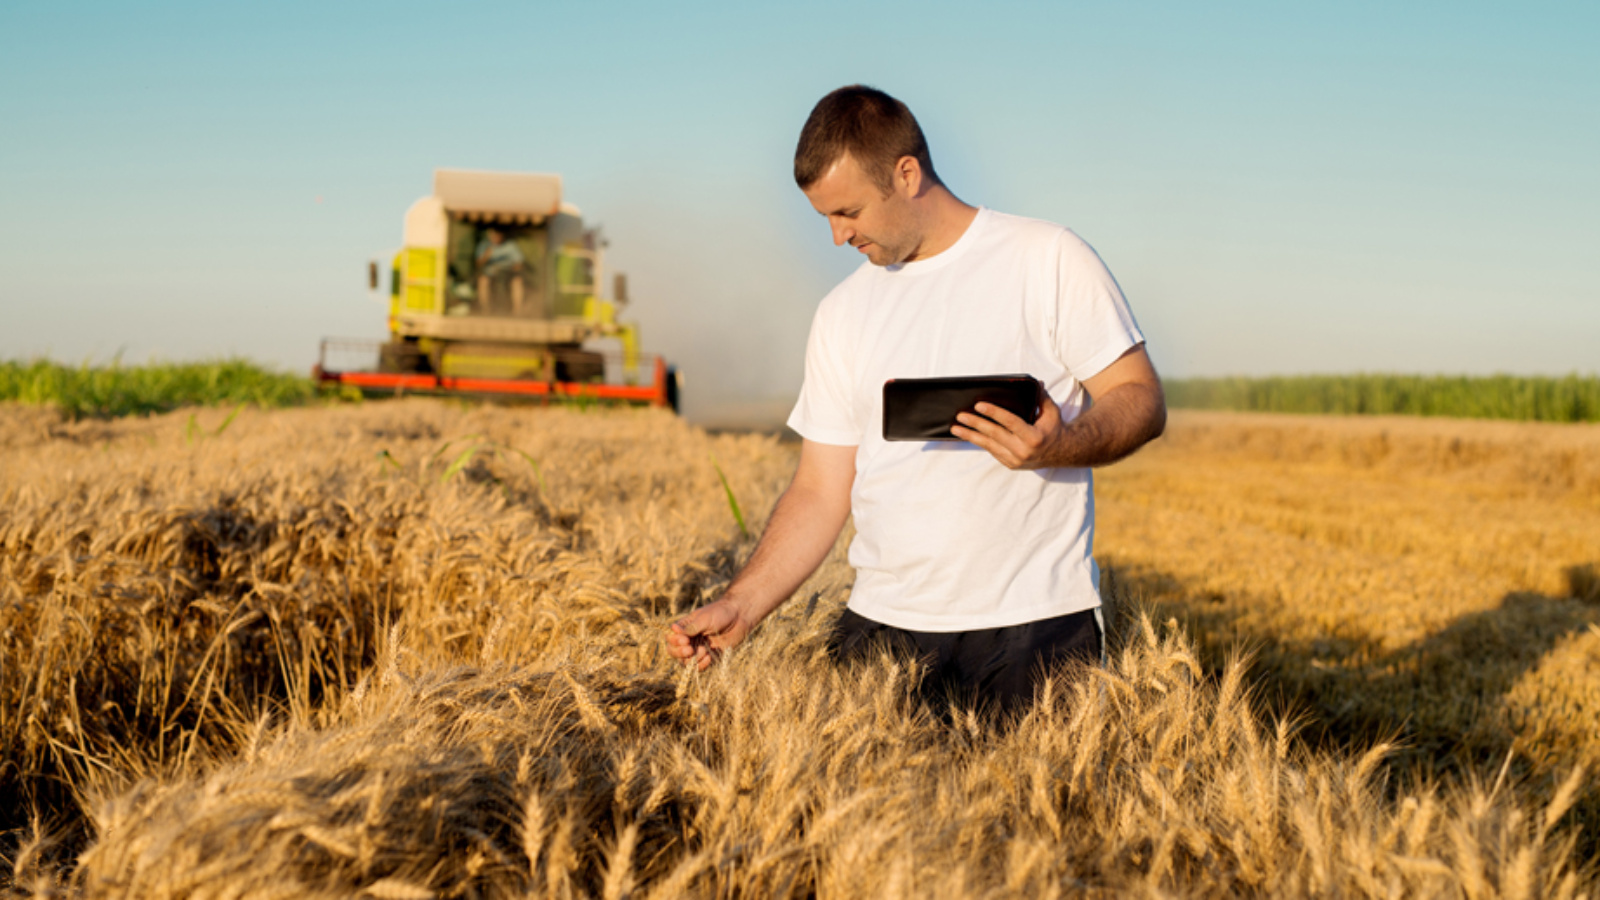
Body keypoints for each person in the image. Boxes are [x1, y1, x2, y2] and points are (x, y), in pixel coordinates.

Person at [665, 85, 1167, 713]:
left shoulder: (1047, 259)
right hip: (880, 632)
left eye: (847, 211)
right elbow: (820, 490)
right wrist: (742, 606)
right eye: (823, 216)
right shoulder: (841, 313)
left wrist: (1061, 445)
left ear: (906, 174)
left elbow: (1140, 398)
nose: (836, 236)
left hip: (1034, 631)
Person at [475, 227, 526, 316]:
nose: (495, 237)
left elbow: (519, 263)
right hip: (490, 273)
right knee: (483, 280)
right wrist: (486, 256)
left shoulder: (510, 246)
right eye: (493, 235)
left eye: (498, 235)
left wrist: (515, 267)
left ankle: (517, 311)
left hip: (507, 273)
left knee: (517, 281)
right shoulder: (484, 245)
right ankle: (485, 310)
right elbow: (478, 264)